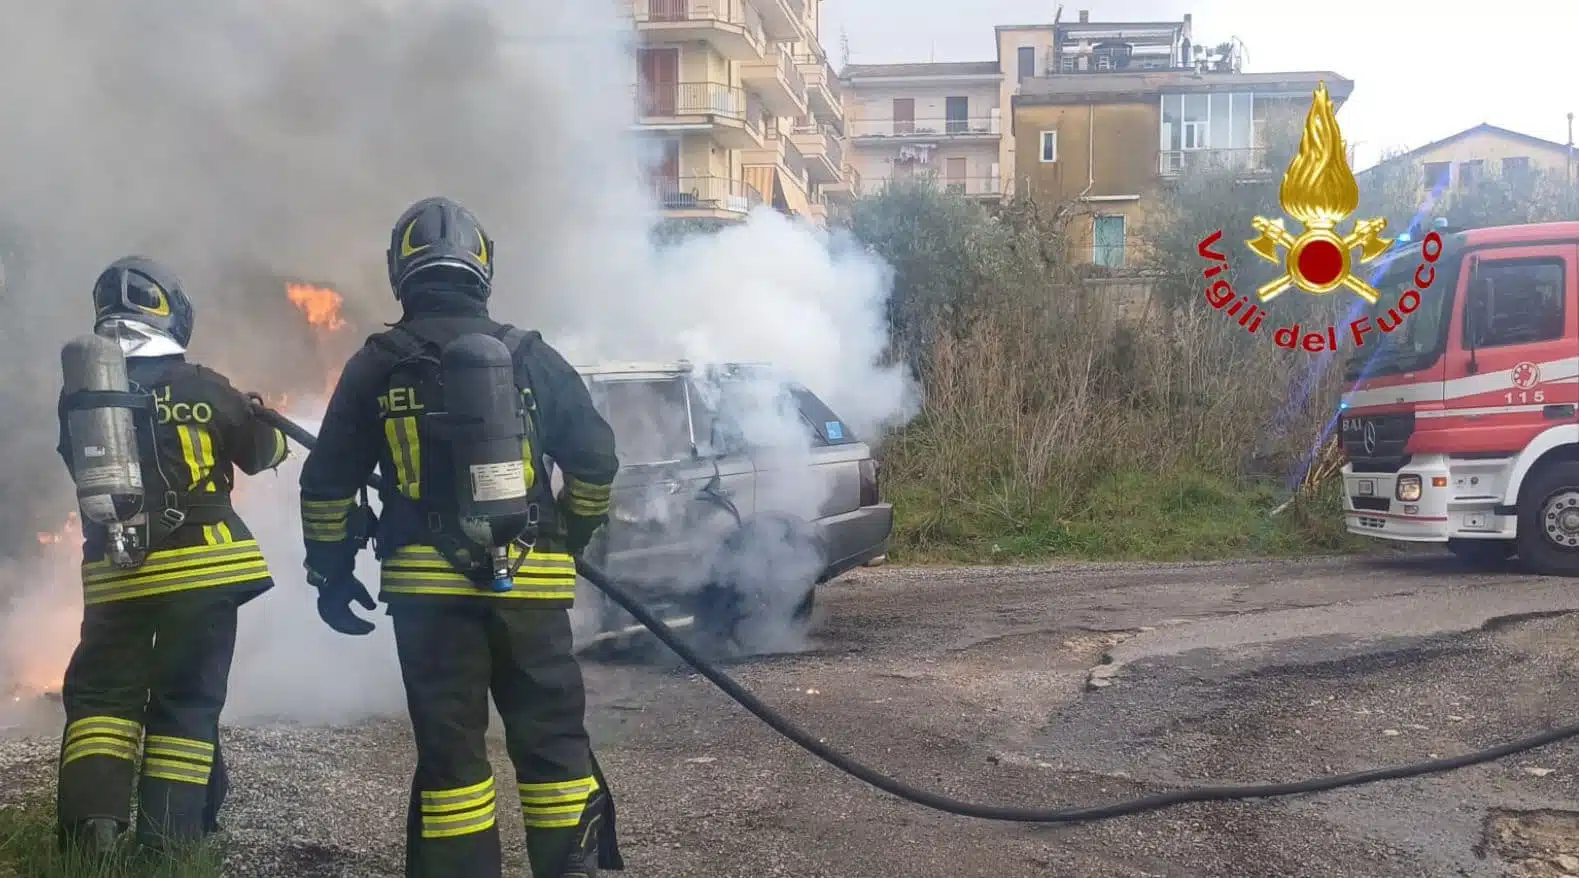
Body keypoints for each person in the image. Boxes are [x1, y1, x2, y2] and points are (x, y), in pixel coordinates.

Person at [297, 197, 622, 877]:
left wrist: (331, 573)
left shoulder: (376, 365)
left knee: (452, 759)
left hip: (428, 596)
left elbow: (327, 486)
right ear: (483, 268)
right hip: (531, 588)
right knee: (554, 746)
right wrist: (567, 535)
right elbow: (595, 461)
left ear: (400, 271)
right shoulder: (533, 358)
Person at [54, 256, 290, 855]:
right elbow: (259, 453)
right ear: (170, 312)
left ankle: (92, 838)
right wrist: (269, 426)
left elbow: (75, 465)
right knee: (186, 702)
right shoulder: (202, 385)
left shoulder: (82, 397)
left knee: (103, 702)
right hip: (203, 571)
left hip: (116, 572)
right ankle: (168, 844)